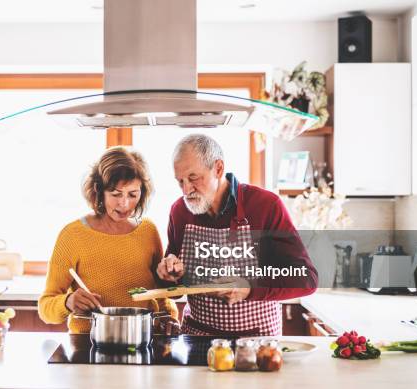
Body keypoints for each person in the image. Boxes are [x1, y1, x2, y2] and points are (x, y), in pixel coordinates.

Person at [156, 134, 318, 336]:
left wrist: (249, 289)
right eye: (180, 181)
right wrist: (170, 272)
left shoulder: (266, 205)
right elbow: (173, 282)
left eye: (193, 178)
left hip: (257, 341)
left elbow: (307, 279)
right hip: (197, 338)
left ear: (218, 168)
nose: (186, 189)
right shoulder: (180, 211)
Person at [39, 146, 178, 334]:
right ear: (99, 191)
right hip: (89, 344)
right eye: (115, 194)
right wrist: (67, 302)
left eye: (133, 194)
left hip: (142, 338)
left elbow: (160, 295)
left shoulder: (148, 231)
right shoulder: (73, 235)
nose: (124, 203)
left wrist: (168, 317)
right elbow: (46, 308)